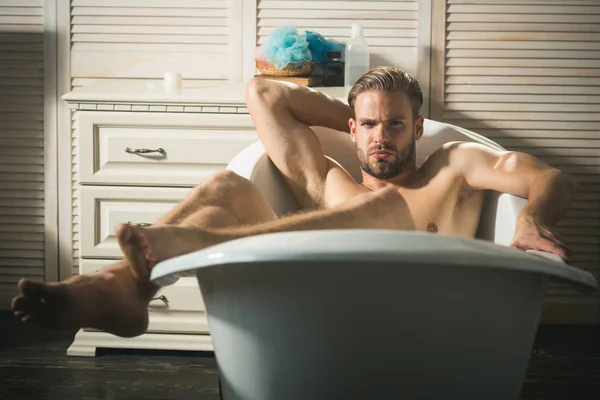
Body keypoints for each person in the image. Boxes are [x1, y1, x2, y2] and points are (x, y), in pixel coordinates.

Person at [11, 66, 575, 337]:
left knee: (380, 212)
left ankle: (152, 261)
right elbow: (264, 94)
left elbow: (552, 177)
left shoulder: (453, 167)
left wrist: (529, 216)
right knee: (222, 188)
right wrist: (355, 119)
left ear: (419, 126)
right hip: (310, 310)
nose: (382, 138)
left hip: (419, 321)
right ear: (353, 129)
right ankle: (124, 286)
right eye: (370, 127)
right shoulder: (330, 181)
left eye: (396, 124)